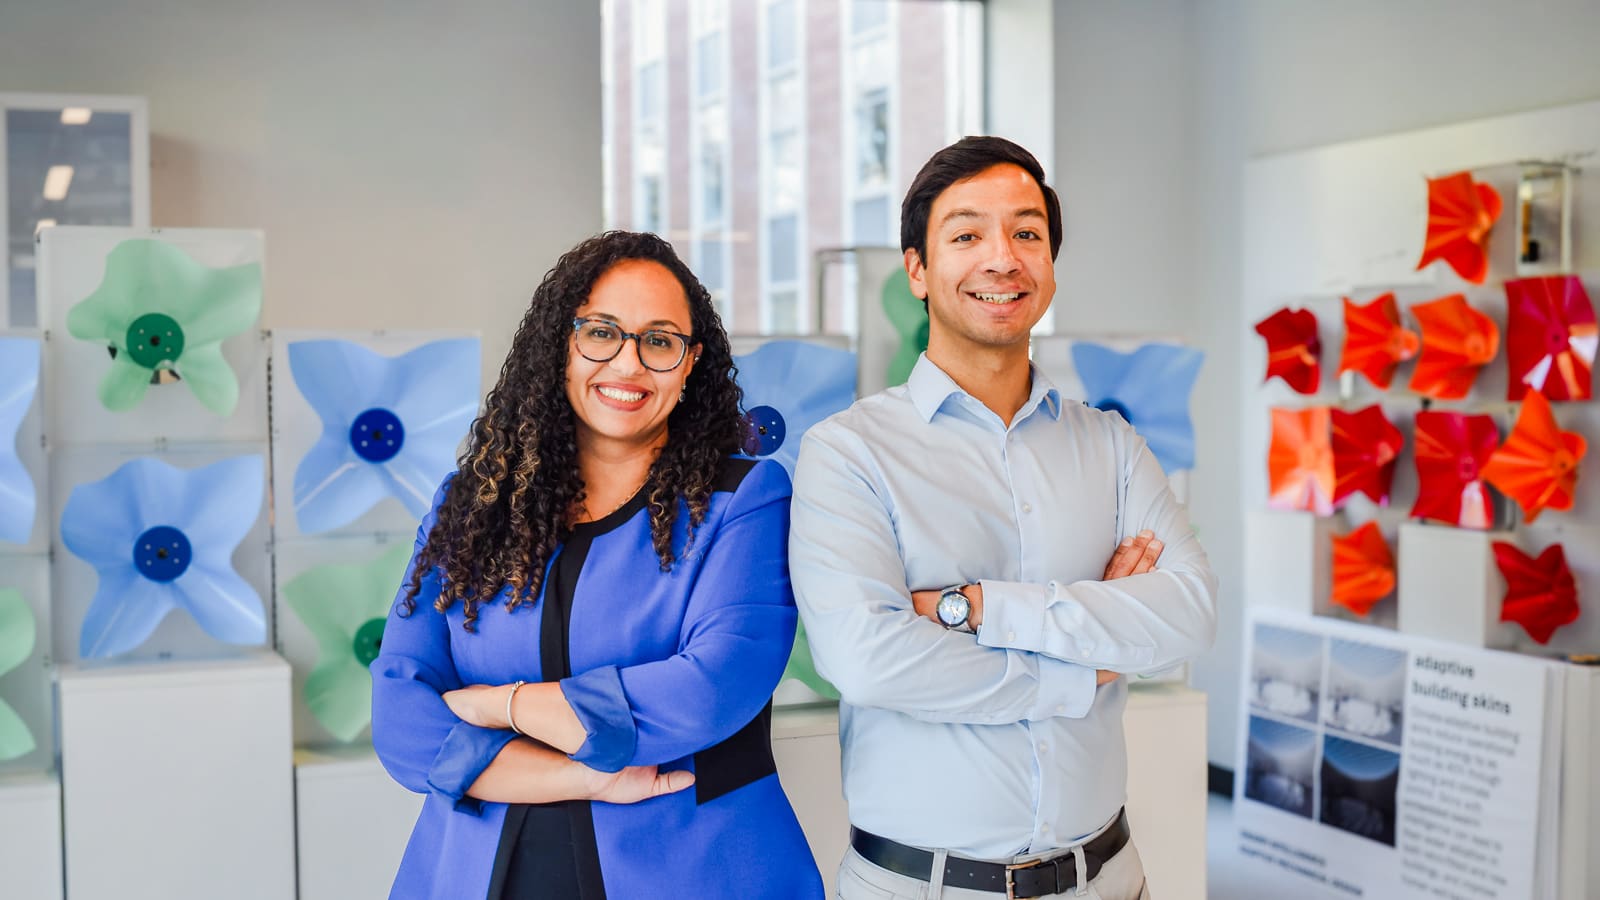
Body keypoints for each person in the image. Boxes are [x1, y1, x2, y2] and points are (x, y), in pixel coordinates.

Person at [789, 137, 1219, 900]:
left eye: (1027, 233)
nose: (1002, 258)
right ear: (918, 270)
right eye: (966, 235)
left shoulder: (1112, 445)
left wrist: (976, 608)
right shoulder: (848, 453)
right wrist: (1091, 660)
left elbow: (1188, 615)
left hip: (1111, 879)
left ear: (1051, 264)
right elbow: (867, 661)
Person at [371, 230, 824, 900]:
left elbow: (709, 690)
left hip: (695, 872)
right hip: (478, 873)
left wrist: (503, 706)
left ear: (691, 361)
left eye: (660, 340)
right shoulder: (472, 503)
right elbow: (402, 718)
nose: (629, 364)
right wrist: (584, 777)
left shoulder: (746, 498)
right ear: (561, 343)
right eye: (602, 333)